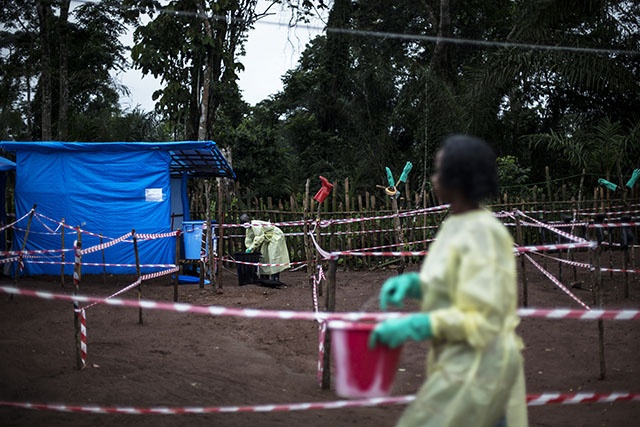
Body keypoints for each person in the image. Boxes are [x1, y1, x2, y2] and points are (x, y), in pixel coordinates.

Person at [369, 135, 528, 427]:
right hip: (457, 364)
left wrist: (418, 325)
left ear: (457, 179)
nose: (433, 179)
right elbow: (452, 282)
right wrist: (416, 286)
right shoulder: (454, 224)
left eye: (439, 171)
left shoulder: (484, 233)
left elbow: (485, 319)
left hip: (484, 370)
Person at [240, 213, 290, 281]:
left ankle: (275, 276)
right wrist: (248, 248)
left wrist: (251, 248)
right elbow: (248, 239)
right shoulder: (249, 229)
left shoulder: (255, 225)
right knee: (264, 257)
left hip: (275, 236)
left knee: (274, 256)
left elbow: (259, 237)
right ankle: (265, 275)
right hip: (267, 238)